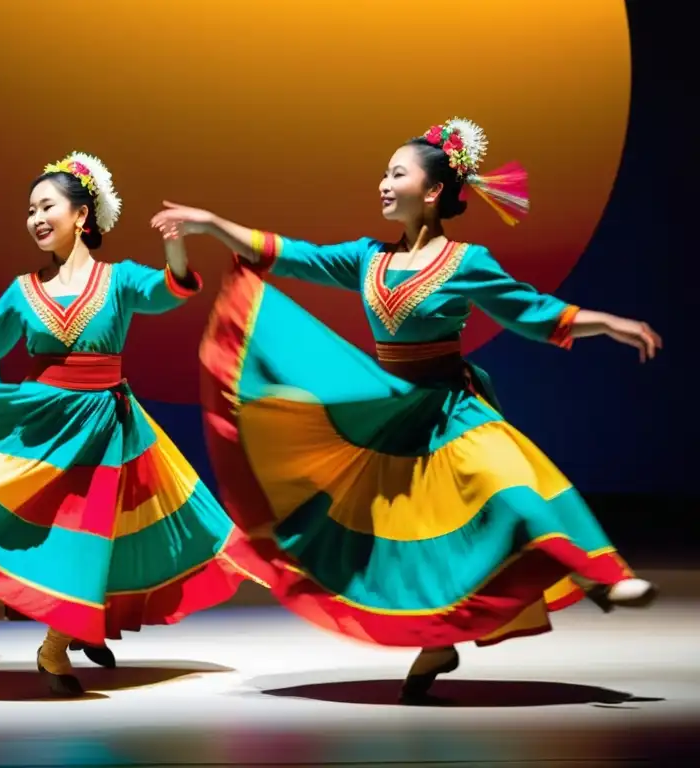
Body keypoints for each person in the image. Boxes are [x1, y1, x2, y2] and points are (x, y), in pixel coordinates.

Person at [150, 117, 662, 704]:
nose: (383, 184)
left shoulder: (467, 261)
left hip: (454, 409)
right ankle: (437, 643)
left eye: (397, 173)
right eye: (384, 173)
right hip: (393, 418)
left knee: (516, 491)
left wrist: (609, 323)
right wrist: (212, 225)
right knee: (409, 542)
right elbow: (289, 256)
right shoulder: (369, 259)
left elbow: (533, 311)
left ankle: (606, 576)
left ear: (435, 190)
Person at [0, 152, 265, 696]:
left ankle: (56, 646)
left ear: (81, 217)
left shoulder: (118, 281)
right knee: (43, 535)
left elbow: (170, 290)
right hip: (44, 425)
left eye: (47, 206)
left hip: (106, 427)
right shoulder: (24, 291)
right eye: (30, 209)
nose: (36, 217)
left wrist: (175, 242)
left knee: (99, 538)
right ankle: (68, 627)